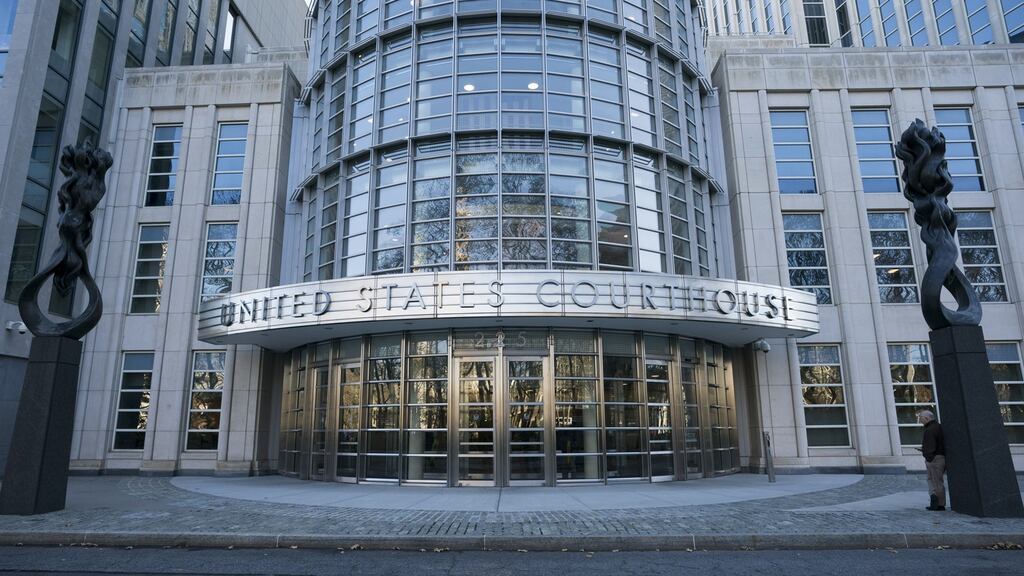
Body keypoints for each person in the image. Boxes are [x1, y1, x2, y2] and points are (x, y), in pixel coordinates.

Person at [918, 410, 946, 511]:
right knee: (935, 481)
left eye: (921, 418)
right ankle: (937, 504)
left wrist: (928, 457)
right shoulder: (937, 427)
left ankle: (938, 504)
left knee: (935, 482)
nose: (920, 420)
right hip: (937, 457)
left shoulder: (930, 429)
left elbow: (931, 446)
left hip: (934, 459)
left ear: (927, 418)